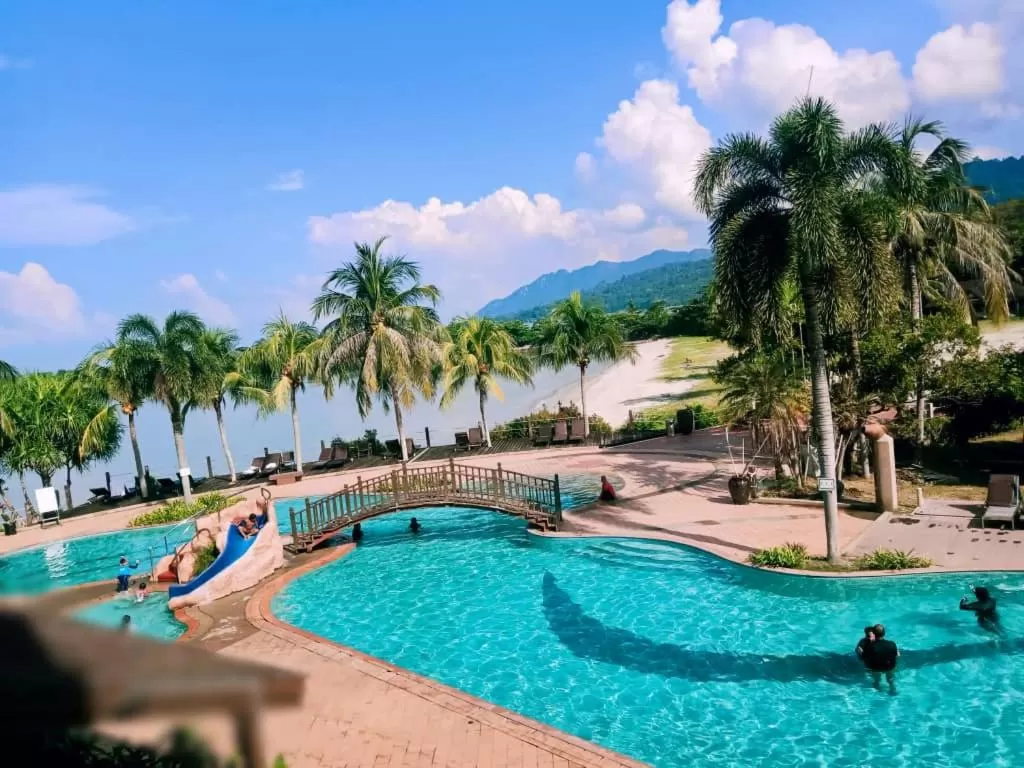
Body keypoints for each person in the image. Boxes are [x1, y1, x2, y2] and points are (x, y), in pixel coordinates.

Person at [861, 623, 899, 693]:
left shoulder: (870, 646)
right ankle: (892, 687)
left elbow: (864, 657)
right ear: (884, 633)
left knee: (876, 677)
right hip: (889, 667)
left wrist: (861, 651)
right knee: (890, 677)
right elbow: (898, 655)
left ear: (874, 634)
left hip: (876, 668)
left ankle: (877, 683)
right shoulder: (892, 643)